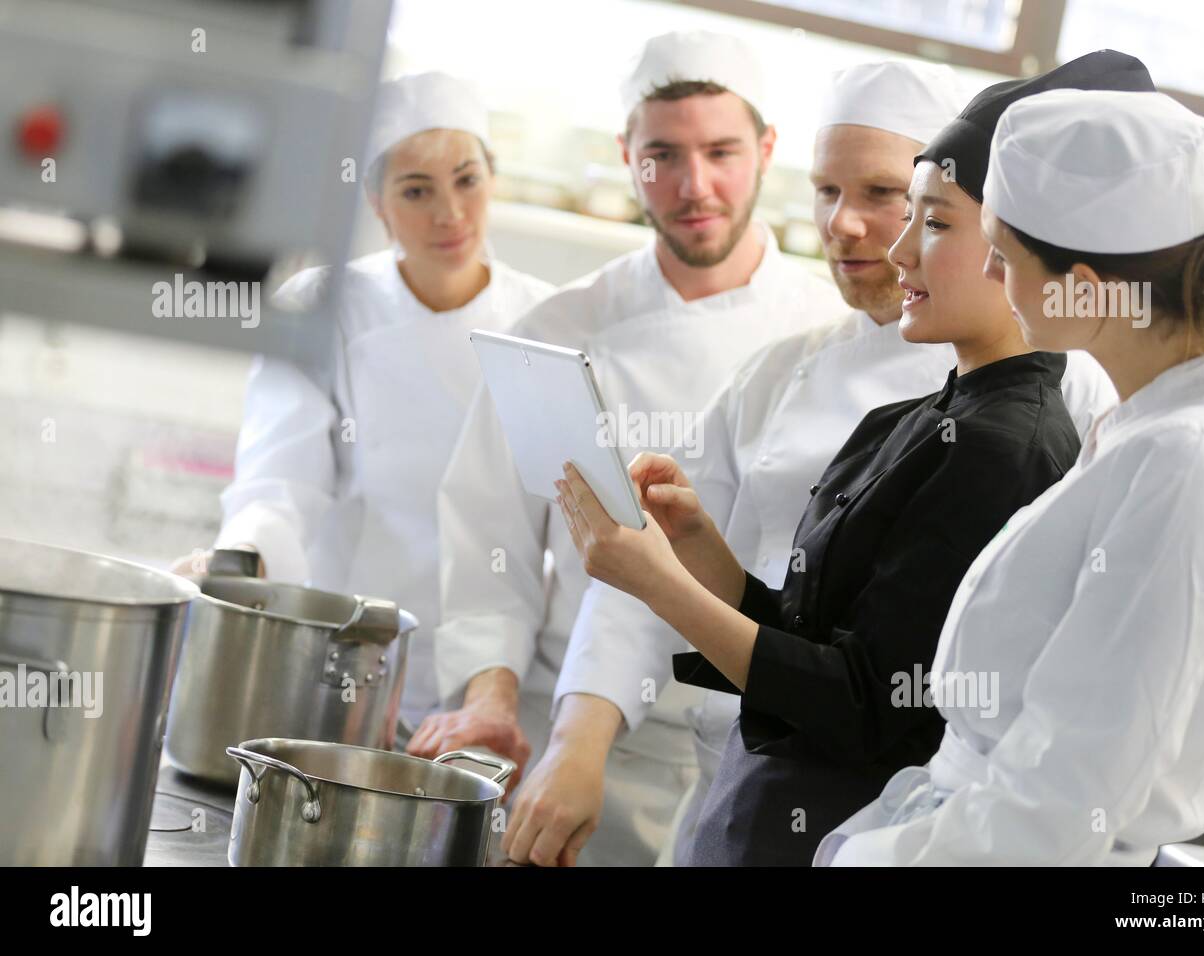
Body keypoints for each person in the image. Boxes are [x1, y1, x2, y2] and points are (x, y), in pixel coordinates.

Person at [555, 50, 1154, 867]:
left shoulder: (1014, 441)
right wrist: (697, 550)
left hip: (845, 828)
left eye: (922, 216)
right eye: (837, 194)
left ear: (1014, 244)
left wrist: (659, 581)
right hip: (751, 797)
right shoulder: (916, 414)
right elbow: (818, 636)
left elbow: (868, 702)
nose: (884, 242)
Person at [815, 88, 1204, 866]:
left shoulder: (1186, 460)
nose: (992, 273)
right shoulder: (1152, 422)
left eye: (1001, 252)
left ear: (1078, 280)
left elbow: (1061, 799)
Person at [423, 31, 845, 865]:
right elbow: (488, 547)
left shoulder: (826, 340)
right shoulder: (556, 334)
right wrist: (492, 698)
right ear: (626, 157)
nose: (696, 186)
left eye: (722, 151)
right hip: (554, 738)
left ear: (765, 151)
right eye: (664, 155)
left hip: (743, 748)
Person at [193, 73, 554, 724]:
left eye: (467, 180)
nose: (450, 214)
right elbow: (281, 485)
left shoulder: (547, 324)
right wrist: (237, 560)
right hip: (340, 661)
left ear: (493, 178)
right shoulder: (319, 307)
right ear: (377, 202)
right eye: (417, 190)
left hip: (493, 689)